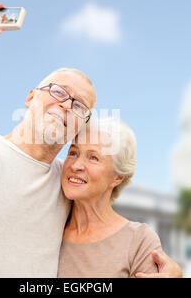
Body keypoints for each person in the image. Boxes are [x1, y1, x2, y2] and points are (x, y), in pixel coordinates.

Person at [0, 2, 182, 278]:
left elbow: (108, 234)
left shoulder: (67, 186)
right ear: (30, 97)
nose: (66, 105)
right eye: (59, 91)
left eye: (79, 106)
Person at [58, 118, 163, 277]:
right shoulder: (50, 227)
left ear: (117, 177)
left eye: (93, 157)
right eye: (73, 153)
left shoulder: (139, 241)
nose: (75, 165)